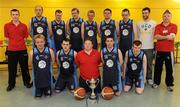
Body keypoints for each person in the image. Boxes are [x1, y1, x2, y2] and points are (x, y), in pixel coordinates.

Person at [4, 9, 32, 92]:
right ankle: (11, 84)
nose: (15, 16)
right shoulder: (6, 25)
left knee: (25, 67)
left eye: (16, 14)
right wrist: (12, 45)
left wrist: (20, 43)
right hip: (11, 50)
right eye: (13, 14)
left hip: (22, 50)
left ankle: (27, 82)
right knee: (11, 68)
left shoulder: (24, 26)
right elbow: (6, 38)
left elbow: (26, 37)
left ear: (19, 15)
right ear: (11, 15)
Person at [152, 10, 177, 92]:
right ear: (162, 17)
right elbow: (156, 36)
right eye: (165, 16)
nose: (166, 17)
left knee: (169, 68)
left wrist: (162, 36)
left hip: (169, 51)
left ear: (170, 17)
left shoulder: (174, 26)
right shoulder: (158, 26)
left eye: (168, 16)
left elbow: (172, 37)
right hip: (159, 50)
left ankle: (169, 84)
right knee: (157, 68)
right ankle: (156, 82)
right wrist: (166, 36)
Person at [137, 7, 156, 85]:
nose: (144, 14)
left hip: (149, 46)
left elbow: (155, 35)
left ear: (149, 13)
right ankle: (141, 77)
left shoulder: (154, 23)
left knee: (149, 63)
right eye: (143, 13)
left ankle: (149, 78)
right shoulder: (139, 23)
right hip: (140, 47)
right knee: (140, 63)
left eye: (146, 13)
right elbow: (137, 35)